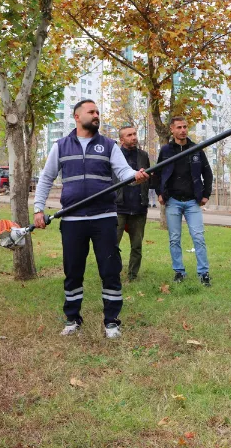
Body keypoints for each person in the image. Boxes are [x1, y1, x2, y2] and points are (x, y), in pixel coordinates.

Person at [33, 100, 148, 338]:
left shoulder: (108, 145)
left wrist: (134, 176)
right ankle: (72, 319)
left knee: (110, 269)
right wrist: (38, 209)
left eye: (98, 112)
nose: (97, 115)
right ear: (77, 117)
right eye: (91, 112)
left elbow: (123, 171)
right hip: (73, 220)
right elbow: (46, 179)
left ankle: (112, 322)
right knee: (73, 270)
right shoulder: (61, 146)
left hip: (104, 218)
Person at [155, 116, 213, 287]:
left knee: (198, 237)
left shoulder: (196, 149)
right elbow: (157, 173)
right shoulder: (166, 150)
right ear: (172, 129)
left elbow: (207, 173)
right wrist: (159, 192)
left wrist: (206, 194)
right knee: (174, 238)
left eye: (185, 127)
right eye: (179, 127)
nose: (183, 130)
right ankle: (179, 272)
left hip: (192, 202)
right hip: (172, 200)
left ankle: (203, 273)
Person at [115, 125, 151, 282]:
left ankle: (132, 276)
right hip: (118, 207)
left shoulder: (143, 155)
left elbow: (149, 178)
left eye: (135, 134)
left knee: (137, 246)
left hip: (139, 207)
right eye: (129, 135)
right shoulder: (114, 155)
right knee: (112, 245)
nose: (134, 137)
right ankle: (112, 274)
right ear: (121, 139)